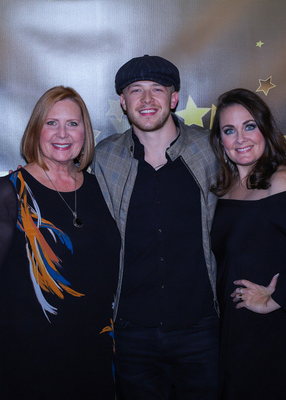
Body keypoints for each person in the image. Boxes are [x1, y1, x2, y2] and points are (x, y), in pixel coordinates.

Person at [0, 86, 120, 400]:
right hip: (28, 359)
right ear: (37, 129)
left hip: (95, 356)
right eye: (52, 123)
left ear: (84, 133)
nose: (62, 133)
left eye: (73, 124)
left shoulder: (99, 188)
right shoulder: (10, 193)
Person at [92, 55, 220, 399]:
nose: (147, 100)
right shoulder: (105, 158)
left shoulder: (209, 150)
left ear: (173, 98)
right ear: (123, 101)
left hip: (200, 328)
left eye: (157, 90)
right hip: (133, 333)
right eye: (136, 91)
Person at [209, 88, 286, 400]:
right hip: (231, 324)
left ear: (265, 129)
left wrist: (275, 299)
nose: (240, 139)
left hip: (264, 329)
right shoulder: (226, 189)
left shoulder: (279, 180)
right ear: (221, 141)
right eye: (229, 130)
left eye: (249, 126)